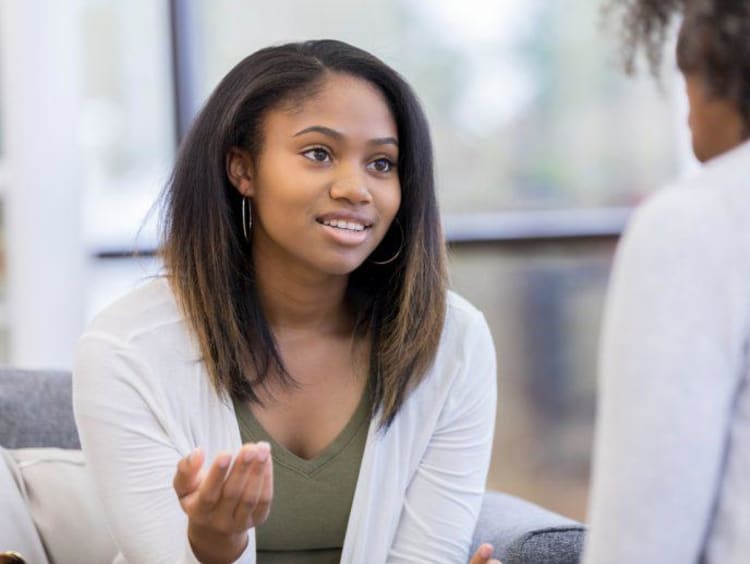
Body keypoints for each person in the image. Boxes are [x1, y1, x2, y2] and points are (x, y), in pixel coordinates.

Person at [73, 40, 500, 564]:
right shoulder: (125, 349)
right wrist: (215, 544)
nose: (356, 188)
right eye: (318, 153)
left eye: (382, 163)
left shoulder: (452, 344)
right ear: (242, 170)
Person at [583, 1, 750, 562]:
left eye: (684, 78)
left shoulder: (698, 221)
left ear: (714, 70)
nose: (686, 114)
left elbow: (643, 540)